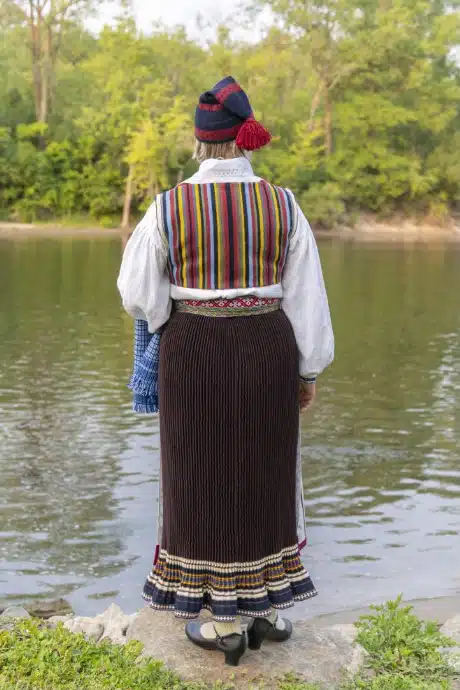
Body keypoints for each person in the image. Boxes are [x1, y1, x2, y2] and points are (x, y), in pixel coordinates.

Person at [117, 76, 334, 667]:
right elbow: (307, 299)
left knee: (199, 473)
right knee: (266, 470)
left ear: (200, 140)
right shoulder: (283, 205)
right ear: (246, 138)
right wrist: (308, 371)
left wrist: (174, 313)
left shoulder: (167, 206)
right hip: (267, 347)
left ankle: (222, 622)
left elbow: (138, 293)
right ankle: (266, 612)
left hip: (192, 350)